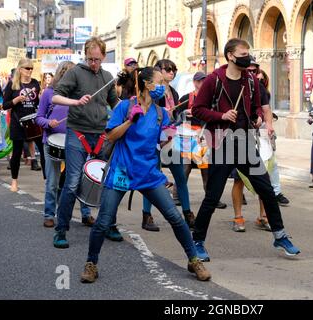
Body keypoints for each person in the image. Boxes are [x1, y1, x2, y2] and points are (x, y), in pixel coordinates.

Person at [80, 67, 211, 283]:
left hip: (148, 173)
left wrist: (170, 133)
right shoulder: (124, 106)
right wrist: (130, 121)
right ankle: (91, 263)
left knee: (176, 218)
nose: (163, 86)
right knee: (103, 222)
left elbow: (163, 140)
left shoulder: (160, 113)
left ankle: (193, 259)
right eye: (159, 81)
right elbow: (111, 135)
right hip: (123, 170)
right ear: (147, 84)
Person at [191, 38, 300, 262]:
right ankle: (197, 241)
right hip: (222, 143)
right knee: (212, 196)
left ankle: (280, 235)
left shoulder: (250, 80)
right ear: (230, 56)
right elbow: (198, 110)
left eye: (248, 53)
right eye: (243, 53)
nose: (247, 57)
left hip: (245, 143)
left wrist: (258, 117)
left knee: (268, 191)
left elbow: (256, 108)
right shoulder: (214, 80)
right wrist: (221, 116)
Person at [52, 37, 119, 249]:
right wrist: (75, 101)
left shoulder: (108, 77)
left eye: (97, 59)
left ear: (104, 57)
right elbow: (56, 97)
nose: (93, 63)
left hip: (101, 134)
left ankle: (109, 224)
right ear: (85, 55)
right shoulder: (75, 73)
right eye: (90, 59)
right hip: (77, 132)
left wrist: (128, 110)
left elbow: (114, 103)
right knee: (72, 183)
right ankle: (61, 229)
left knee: (108, 183)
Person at [230, 58, 289, 233]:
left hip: (260, 137)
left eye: (254, 70)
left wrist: (268, 124)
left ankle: (263, 216)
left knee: (265, 177)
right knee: (239, 179)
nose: (252, 73)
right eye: (248, 69)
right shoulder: (233, 86)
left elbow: (266, 109)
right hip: (240, 135)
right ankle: (238, 217)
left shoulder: (259, 87)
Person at [139, 59, 194, 232]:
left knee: (180, 177)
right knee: (152, 177)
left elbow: (175, 117)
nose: (172, 72)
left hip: (172, 138)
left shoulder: (174, 92)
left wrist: (178, 115)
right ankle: (146, 215)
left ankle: (187, 213)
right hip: (156, 139)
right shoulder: (155, 92)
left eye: (174, 69)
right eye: (168, 69)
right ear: (158, 71)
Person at [36, 61, 92, 229]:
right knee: (52, 181)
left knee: (80, 179)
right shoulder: (49, 93)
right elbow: (38, 117)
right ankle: (49, 214)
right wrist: (48, 122)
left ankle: (86, 213)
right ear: (61, 74)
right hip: (52, 141)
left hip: (75, 142)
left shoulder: (79, 94)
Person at [172, 72, 228, 210]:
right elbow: (176, 116)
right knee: (185, 168)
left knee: (207, 170)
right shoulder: (186, 98)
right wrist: (185, 113)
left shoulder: (212, 99)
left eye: (204, 80)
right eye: (200, 81)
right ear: (195, 82)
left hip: (204, 136)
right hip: (187, 138)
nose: (202, 83)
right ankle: (176, 196)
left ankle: (212, 198)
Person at [2, 58, 45, 192]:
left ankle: (47, 181)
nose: (30, 71)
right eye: (27, 68)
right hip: (18, 122)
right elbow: (5, 105)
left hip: (34, 122)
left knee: (43, 150)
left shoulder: (35, 83)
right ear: (20, 69)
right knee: (16, 153)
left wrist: (41, 100)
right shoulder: (12, 85)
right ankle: (14, 181)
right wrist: (16, 100)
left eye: (31, 68)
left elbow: (38, 103)